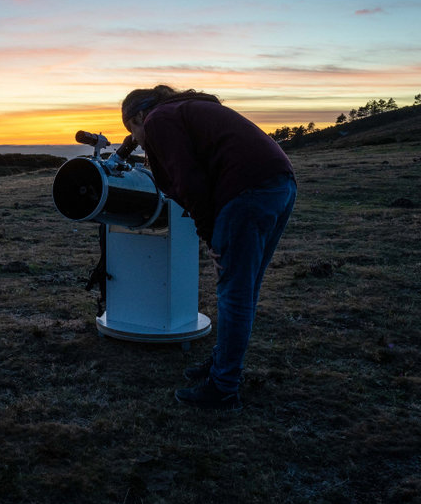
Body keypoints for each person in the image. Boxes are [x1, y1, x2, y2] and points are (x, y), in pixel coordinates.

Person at [121, 85, 297, 410]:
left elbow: (188, 181)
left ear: (139, 116)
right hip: (279, 184)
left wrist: (210, 234)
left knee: (234, 292)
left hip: (247, 191)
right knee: (245, 287)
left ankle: (224, 387)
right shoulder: (184, 110)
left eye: (131, 130)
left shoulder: (160, 119)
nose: (136, 139)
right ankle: (221, 364)